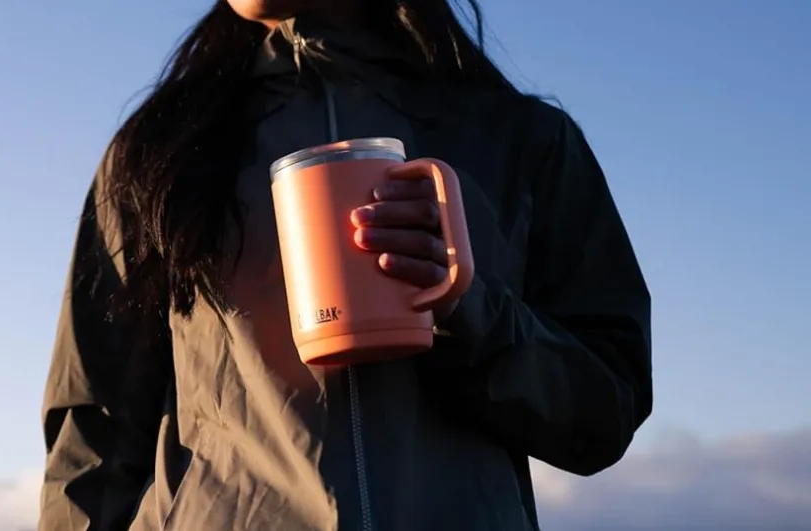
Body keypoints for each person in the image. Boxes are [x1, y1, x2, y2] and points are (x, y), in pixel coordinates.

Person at [39, 0, 653, 529]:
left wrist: (469, 307)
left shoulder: (520, 138)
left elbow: (605, 413)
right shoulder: (158, 150)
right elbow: (92, 436)